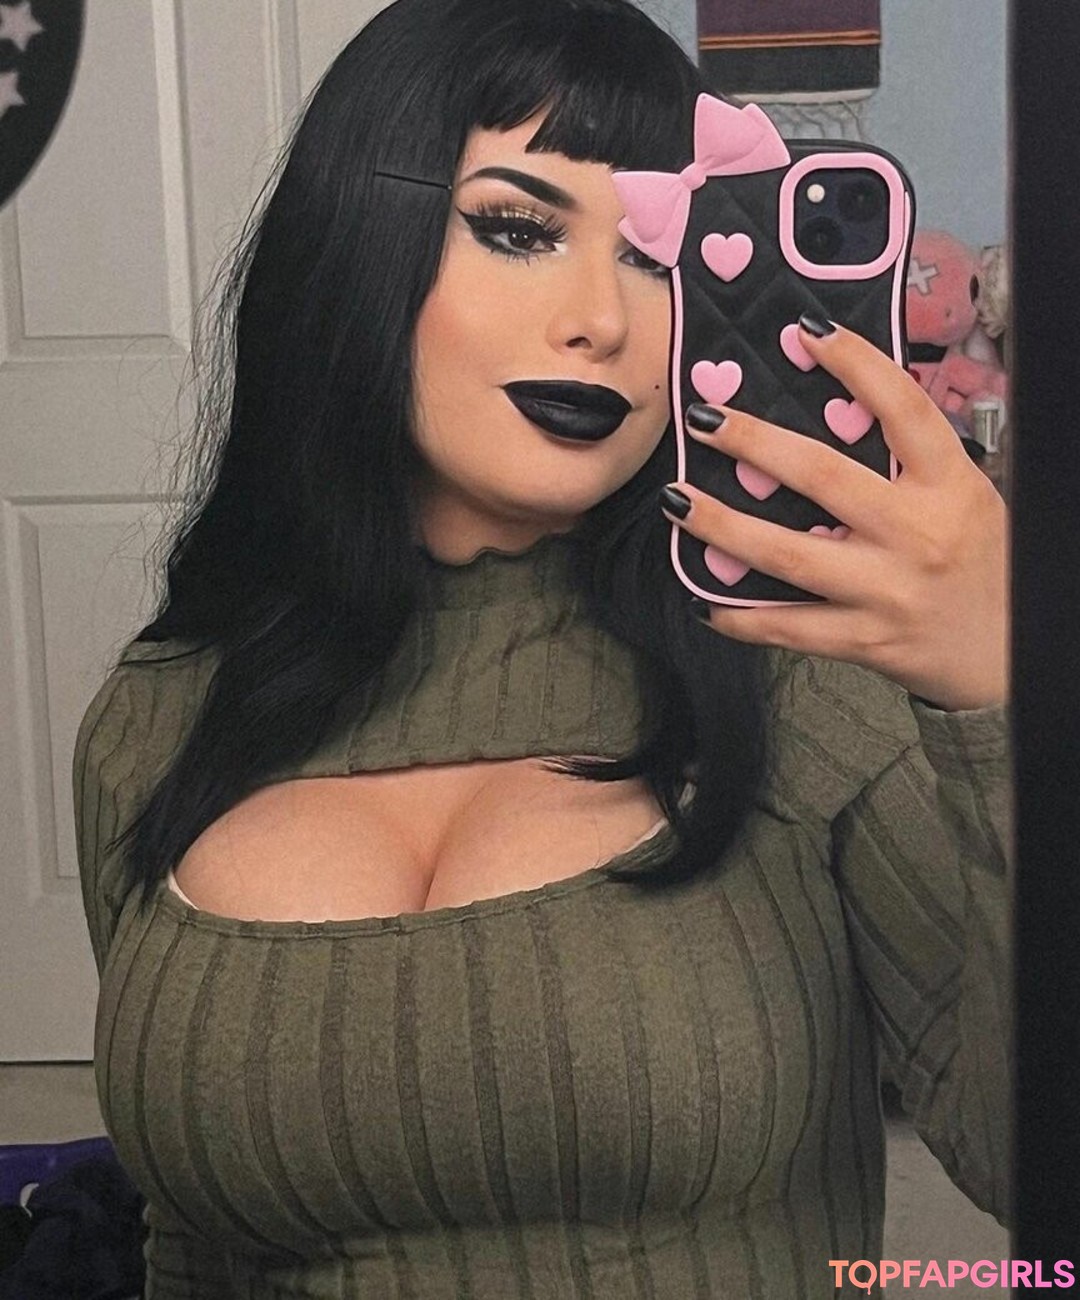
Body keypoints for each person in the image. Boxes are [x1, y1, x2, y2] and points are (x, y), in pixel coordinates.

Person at [71, 0, 1011, 1295]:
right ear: (357, 238)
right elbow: (186, 1241)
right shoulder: (161, 715)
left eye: (657, 256)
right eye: (519, 229)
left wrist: (1002, 701)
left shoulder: (812, 677)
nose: (601, 321)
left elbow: (1027, 1158)